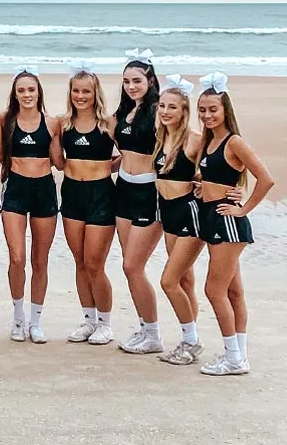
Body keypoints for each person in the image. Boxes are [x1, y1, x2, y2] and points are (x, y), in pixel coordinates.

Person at [195, 72, 273, 376]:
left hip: (227, 221)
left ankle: (233, 358)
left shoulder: (234, 141)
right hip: (211, 215)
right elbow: (215, 175)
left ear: (226, 109)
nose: (207, 115)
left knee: (214, 290)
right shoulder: (209, 140)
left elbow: (266, 179)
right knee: (234, 291)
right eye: (202, 110)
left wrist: (243, 210)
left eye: (213, 109)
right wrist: (203, 186)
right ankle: (239, 353)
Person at [0, 67, 60, 344]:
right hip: (16, 192)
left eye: (31, 89)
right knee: (17, 258)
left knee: (39, 260)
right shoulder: (4, 120)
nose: (26, 94)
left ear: (38, 92)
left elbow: (60, 162)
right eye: (21, 90)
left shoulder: (53, 123)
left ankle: (36, 320)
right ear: (15, 94)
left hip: (44, 191)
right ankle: (18, 317)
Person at [111, 49, 164, 355]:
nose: (132, 86)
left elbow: (181, 143)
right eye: (127, 81)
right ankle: (145, 328)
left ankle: (154, 333)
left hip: (149, 193)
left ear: (151, 80)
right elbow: (125, 151)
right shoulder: (124, 112)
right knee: (129, 266)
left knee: (133, 266)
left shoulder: (158, 111)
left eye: (137, 80)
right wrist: (111, 167)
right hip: (124, 190)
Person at [60, 61, 117, 345]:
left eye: (86, 91)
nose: (81, 96)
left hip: (101, 196)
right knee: (80, 262)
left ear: (96, 93)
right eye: (76, 91)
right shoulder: (63, 124)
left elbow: (131, 155)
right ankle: (88, 320)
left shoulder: (108, 124)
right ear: (70, 92)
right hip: (71, 194)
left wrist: (109, 166)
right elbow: (56, 161)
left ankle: (106, 323)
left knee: (95, 263)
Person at [150, 75, 205, 365]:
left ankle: (192, 341)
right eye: (161, 106)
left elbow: (217, 167)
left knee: (169, 281)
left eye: (172, 107)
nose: (165, 111)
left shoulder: (195, 139)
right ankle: (188, 340)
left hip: (188, 212)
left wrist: (204, 182)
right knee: (184, 279)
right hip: (167, 212)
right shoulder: (161, 137)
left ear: (184, 110)